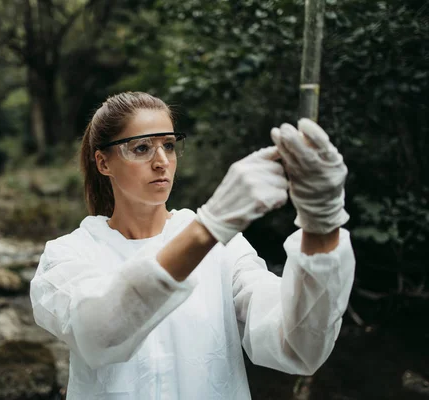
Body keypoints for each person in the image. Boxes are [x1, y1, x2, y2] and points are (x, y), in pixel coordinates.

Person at [30, 92, 355, 399]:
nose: (161, 161)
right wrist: (210, 226)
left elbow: (297, 347)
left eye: (169, 145)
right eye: (141, 148)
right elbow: (97, 334)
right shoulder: (67, 255)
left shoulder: (224, 249)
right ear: (103, 163)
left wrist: (321, 227)